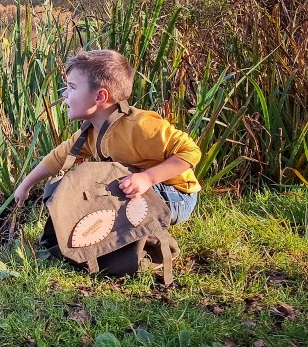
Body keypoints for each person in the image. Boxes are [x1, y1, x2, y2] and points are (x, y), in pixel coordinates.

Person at [13, 49, 201, 224]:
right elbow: (57, 158)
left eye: (72, 87)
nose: (64, 94)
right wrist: (25, 185)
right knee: (77, 188)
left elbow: (190, 152)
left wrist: (148, 178)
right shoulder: (89, 134)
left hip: (177, 195)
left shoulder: (140, 126)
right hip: (139, 189)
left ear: (100, 97)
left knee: (111, 197)